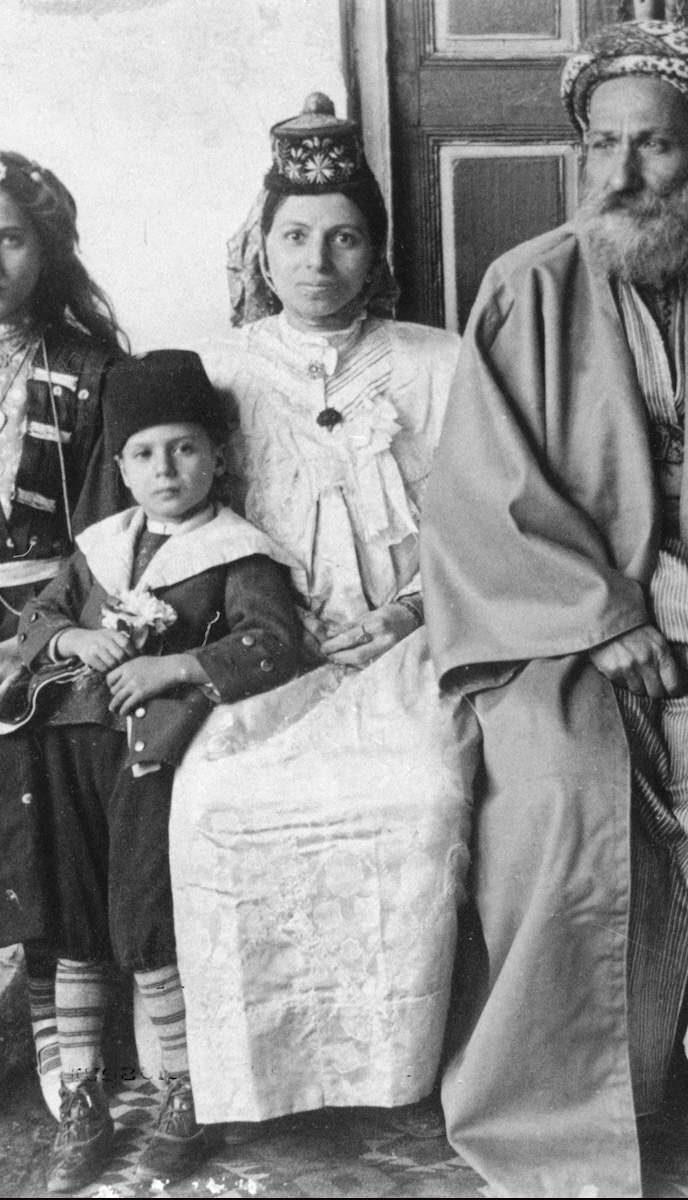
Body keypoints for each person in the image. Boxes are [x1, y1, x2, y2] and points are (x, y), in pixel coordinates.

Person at [419, 20, 688, 1194]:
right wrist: (600, 618)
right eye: (601, 146)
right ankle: (572, 1103)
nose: (620, 174)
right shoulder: (525, 287)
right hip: (558, 636)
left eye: (653, 149)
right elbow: (482, 493)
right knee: (559, 796)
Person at [164, 95, 476, 1126]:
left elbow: (487, 524)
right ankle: (255, 1083)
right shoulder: (223, 373)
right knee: (211, 801)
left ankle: (395, 1076)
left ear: (376, 250)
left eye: (344, 236)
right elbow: (184, 525)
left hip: (412, 647)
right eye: (295, 236)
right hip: (270, 658)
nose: (318, 260)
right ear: (261, 246)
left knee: (424, 795)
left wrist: (410, 615)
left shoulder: (438, 364)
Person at [0, 350, 308, 1190]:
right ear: (120, 464)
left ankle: (180, 1091)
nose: (164, 470)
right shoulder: (99, 549)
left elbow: (272, 644)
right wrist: (72, 639)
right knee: (70, 926)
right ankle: (81, 1100)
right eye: (143, 453)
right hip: (61, 754)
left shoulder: (235, 552)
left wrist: (174, 668)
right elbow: (37, 623)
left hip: (146, 762)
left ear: (216, 457)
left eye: (183, 449)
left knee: (144, 922)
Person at [0, 151, 130, 1124]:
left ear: (43, 250)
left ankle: (61, 1021)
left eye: (5, 240)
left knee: (51, 775)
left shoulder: (86, 377)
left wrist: (44, 638)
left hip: (44, 619)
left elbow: (105, 544)